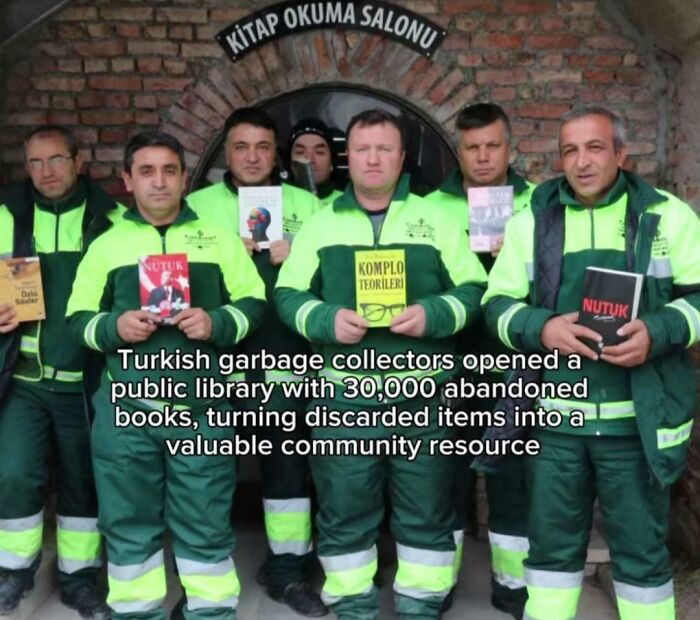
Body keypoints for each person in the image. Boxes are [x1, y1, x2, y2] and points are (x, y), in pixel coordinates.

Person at [483, 104, 700, 620]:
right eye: (569, 151)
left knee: (643, 560)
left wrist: (659, 330)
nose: (581, 162)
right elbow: (495, 306)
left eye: (595, 147)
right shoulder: (531, 218)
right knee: (552, 559)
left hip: (636, 425)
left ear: (621, 154)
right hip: (557, 424)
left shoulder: (667, 215)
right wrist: (543, 328)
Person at [275, 109, 488, 619]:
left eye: (384, 149)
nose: (373, 159)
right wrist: (325, 321)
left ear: (401, 158)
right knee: (345, 511)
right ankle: (353, 608)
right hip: (344, 399)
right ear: (350, 157)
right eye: (363, 149)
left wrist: (432, 314)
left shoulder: (437, 219)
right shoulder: (322, 225)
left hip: (423, 400)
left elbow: (475, 289)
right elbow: (287, 293)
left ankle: (420, 607)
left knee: (428, 511)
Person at [66, 130, 266, 619]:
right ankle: (137, 613)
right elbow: (77, 322)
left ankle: (211, 613)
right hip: (127, 413)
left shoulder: (219, 240)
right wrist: (114, 327)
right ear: (128, 180)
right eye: (147, 172)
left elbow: (255, 304)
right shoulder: (107, 246)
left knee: (205, 526)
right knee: (129, 527)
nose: (159, 182)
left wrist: (216, 323)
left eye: (169, 171)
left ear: (183, 179)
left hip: (202, 410)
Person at [187, 108, 327, 617]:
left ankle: (288, 572)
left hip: (287, 356)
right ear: (227, 153)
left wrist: (303, 251)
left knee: (287, 468)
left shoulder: (307, 206)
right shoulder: (196, 207)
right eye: (242, 147)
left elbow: (329, 275)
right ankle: (203, 581)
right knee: (205, 471)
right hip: (215, 361)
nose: (252, 157)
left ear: (277, 154)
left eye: (263, 147)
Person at [0, 125, 123, 619]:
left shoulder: (110, 220)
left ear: (78, 160)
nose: (45, 172)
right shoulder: (7, 215)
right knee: (13, 475)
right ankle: (13, 570)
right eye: (35, 163)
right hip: (24, 380)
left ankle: (79, 577)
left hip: (85, 382)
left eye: (55, 160)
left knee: (83, 482)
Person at [426, 103, 535, 618]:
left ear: (509, 147)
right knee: (444, 479)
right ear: (458, 150)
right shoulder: (427, 210)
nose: (484, 156)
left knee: (513, 478)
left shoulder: (539, 204)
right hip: (449, 367)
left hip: (519, 367)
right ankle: (439, 582)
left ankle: (511, 585)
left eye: (493, 145)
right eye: (472, 147)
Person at [287, 118, 343, 206]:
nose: (309, 159)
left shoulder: (346, 203)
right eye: (300, 152)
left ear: (332, 162)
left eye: (319, 152)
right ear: (290, 163)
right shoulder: (279, 201)